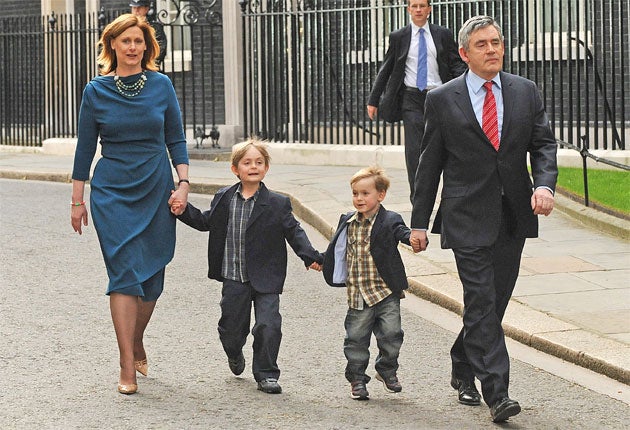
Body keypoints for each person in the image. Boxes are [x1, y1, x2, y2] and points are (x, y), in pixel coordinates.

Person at [409, 15, 558, 422]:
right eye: (482, 44)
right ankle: (498, 393)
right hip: (465, 215)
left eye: (497, 42)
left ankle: (461, 361)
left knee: (493, 305)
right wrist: (418, 222)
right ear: (464, 53)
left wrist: (544, 185)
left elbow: (543, 145)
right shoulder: (442, 98)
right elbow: (429, 164)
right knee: (481, 298)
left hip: (513, 214)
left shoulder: (524, 91)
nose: (492, 49)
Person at [70, 13, 189, 395]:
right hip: (112, 191)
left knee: (151, 280)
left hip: (155, 185)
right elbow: (85, 148)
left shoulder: (162, 85)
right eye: (126, 41)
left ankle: (136, 339)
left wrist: (183, 184)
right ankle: (127, 364)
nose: (133, 48)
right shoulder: (95, 91)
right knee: (124, 273)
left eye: (139, 41)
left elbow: (177, 139)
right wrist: (77, 200)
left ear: (147, 46)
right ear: (113, 46)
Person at [174, 139, 323, 395]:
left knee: (268, 325)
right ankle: (234, 353)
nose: (253, 166)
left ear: (265, 168)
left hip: (267, 277)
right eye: (247, 162)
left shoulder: (277, 203)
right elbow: (205, 222)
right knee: (231, 329)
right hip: (234, 276)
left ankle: (266, 373)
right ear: (235, 169)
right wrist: (182, 210)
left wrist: (309, 255)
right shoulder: (224, 198)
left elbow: (294, 231)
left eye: (259, 162)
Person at [322, 166, 411, 401]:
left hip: (385, 291)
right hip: (358, 294)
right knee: (355, 339)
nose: (359, 199)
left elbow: (401, 231)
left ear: (380, 195)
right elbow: (337, 249)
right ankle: (357, 379)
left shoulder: (390, 219)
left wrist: (411, 237)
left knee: (392, 334)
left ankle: (386, 368)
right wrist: (321, 260)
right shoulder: (348, 221)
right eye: (355, 193)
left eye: (365, 193)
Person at [366, 0, 466, 199]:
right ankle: (418, 198)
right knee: (414, 152)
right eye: (414, 6)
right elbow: (386, 68)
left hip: (439, 97)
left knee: (445, 145)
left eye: (422, 5)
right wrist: (373, 100)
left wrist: (467, 83)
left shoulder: (443, 34)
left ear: (429, 9)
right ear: (408, 9)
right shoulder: (399, 37)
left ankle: (451, 196)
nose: (418, 10)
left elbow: (455, 63)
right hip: (411, 99)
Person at [130, 0, 167, 68]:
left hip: (150, 67)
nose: (136, 10)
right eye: (134, 8)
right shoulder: (127, 27)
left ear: (146, 9)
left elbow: (161, 48)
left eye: (139, 7)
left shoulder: (155, 27)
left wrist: (150, 64)